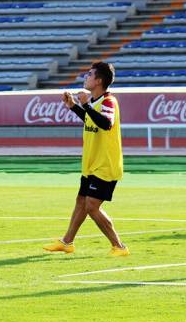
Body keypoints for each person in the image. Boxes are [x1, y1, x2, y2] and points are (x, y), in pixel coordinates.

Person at [43, 62, 129, 256]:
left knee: (91, 205)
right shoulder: (95, 103)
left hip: (105, 165)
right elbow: (92, 120)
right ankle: (67, 242)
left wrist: (86, 105)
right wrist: (74, 107)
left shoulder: (109, 101)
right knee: (81, 201)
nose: (85, 77)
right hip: (91, 163)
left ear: (98, 80)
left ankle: (119, 246)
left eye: (89, 75)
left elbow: (105, 123)